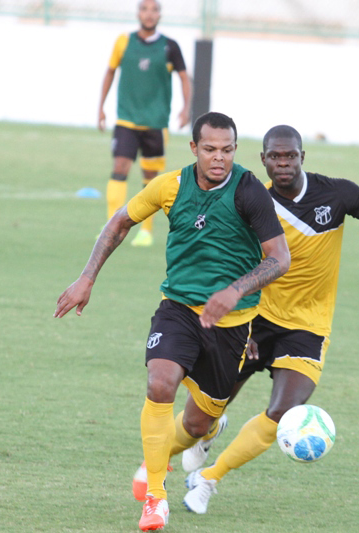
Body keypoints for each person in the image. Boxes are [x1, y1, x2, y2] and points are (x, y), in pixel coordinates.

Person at [54, 112, 290, 532]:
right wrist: (87, 277)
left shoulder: (250, 191)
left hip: (232, 324)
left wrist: (235, 290)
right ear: (194, 148)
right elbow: (120, 221)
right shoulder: (170, 185)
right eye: (211, 149)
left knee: (199, 422)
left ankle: (209, 428)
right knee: (159, 383)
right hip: (178, 308)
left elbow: (279, 258)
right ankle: (156, 501)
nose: (220, 158)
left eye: (228, 150)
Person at [180, 125, 359, 514]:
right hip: (255, 319)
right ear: (263, 160)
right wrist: (238, 320)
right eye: (275, 157)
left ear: (302, 157)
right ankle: (209, 429)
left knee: (282, 413)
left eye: (290, 156)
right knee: (205, 410)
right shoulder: (251, 201)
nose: (283, 163)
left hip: (308, 326)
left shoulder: (339, 193)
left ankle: (209, 479)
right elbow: (229, 263)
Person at [98, 0, 192, 247]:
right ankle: (111, 228)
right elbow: (109, 72)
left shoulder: (169, 47)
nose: (149, 14)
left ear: (160, 14)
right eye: (144, 9)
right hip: (126, 120)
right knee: (119, 169)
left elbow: (184, 77)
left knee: (151, 179)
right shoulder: (123, 42)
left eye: (154, 9)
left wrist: (186, 108)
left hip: (155, 124)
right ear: (138, 13)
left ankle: (146, 232)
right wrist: (100, 107)